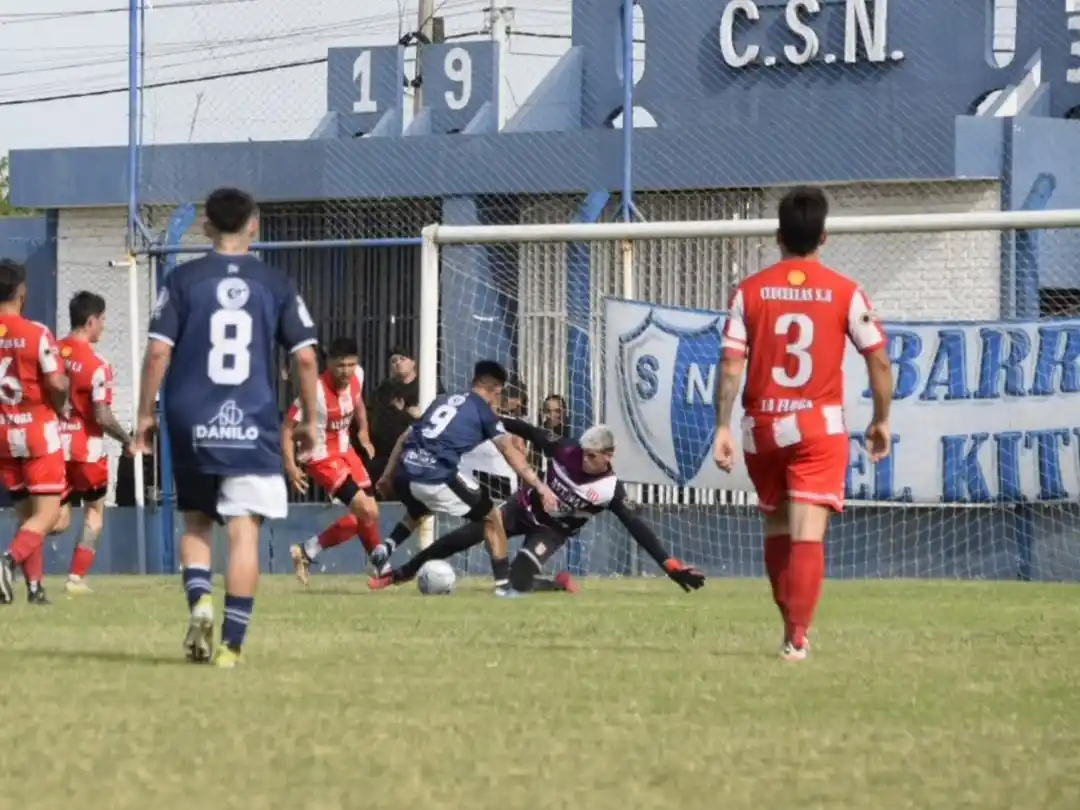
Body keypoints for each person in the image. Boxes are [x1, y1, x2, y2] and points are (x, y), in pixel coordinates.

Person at [134, 187, 320, 668]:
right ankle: (231, 648)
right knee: (243, 532)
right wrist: (311, 419)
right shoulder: (275, 283)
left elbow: (158, 351)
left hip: (191, 418)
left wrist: (144, 416)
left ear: (206, 226)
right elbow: (304, 357)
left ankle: (200, 601)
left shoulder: (182, 280)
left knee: (196, 520)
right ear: (254, 223)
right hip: (251, 421)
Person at [712, 186, 892, 662]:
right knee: (807, 532)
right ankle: (796, 636)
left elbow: (731, 365)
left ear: (778, 236)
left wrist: (723, 427)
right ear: (824, 237)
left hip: (763, 428)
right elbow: (879, 362)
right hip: (817, 427)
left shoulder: (748, 292)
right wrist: (881, 421)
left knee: (775, 528)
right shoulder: (846, 292)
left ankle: (789, 624)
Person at [372, 421, 706, 595]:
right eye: (584, 452)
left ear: (609, 455)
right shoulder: (564, 449)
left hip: (552, 530)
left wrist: (670, 566)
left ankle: (557, 585)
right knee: (463, 536)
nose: (585, 458)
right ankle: (401, 573)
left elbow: (638, 528)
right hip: (521, 508)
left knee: (519, 576)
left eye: (593, 455)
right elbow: (528, 430)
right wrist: (488, 420)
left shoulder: (610, 491)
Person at [368, 360, 558, 594]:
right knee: (492, 517)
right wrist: (540, 486)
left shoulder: (442, 400)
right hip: (436, 474)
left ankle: (386, 547)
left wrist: (387, 476)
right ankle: (503, 585)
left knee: (422, 507)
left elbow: (405, 437)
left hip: (405, 473)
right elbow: (511, 453)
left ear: (473, 381)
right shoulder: (484, 413)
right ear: (497, 390)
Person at [284, 336, 383, 584]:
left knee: (369, 512)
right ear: (328, 363)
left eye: (350, 364)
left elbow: (358, 402)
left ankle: (308, 551)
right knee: (366, 509)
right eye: (340, 366)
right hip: (320, 457)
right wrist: (291, 467)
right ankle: (380, 562)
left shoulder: (357, 376)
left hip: (345, 449)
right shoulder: (314, 391)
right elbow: (286, 429)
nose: (346, 371)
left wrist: (363, 431)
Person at [0, 259, 69, 605]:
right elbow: (56, 380)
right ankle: (7, 561)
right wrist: (62, 401)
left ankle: (34, 588)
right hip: (38, 431)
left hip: (2, 435)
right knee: (49, 515)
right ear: (22, 293)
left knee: (28, 516)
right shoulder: (36, 333)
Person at [57, 291, 135, 595]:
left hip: (53, 445)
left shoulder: (54, 349)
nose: (104, 326)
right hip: (86, 451)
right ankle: (75, 578)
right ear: (91, 321)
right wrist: (127, 439)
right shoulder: (97, 364)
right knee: (94, 511)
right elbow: (101, 415)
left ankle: (15, 554)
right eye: (102, 320)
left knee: (56, 517)